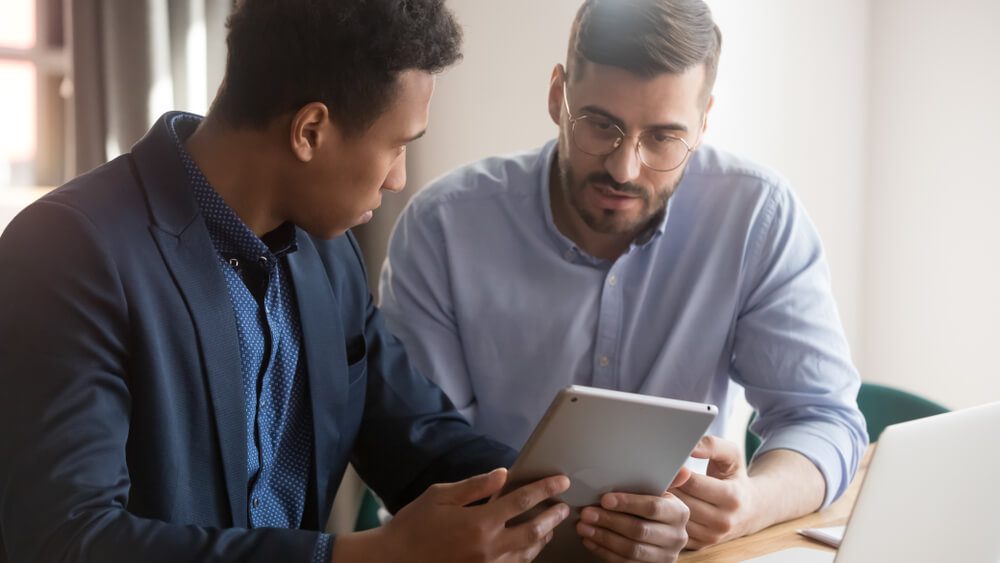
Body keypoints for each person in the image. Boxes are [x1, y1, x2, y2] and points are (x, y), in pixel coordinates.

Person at [0, 1, 605, 561]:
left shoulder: (327, 255)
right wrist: (364, 556)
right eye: (396, 146)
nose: (397, 179)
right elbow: (65, 537)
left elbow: (422, 441)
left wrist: (597, 510)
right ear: (310, 130)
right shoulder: (67, 252)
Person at [380, 0, 869, 556]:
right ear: (556, 94)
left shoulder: (757, 216)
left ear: (704, 120)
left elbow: (823, 417)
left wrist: (750, 504)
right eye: (601, 125)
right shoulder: (444, 226)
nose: (624, 168)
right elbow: (420, 451)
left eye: (663, 137)